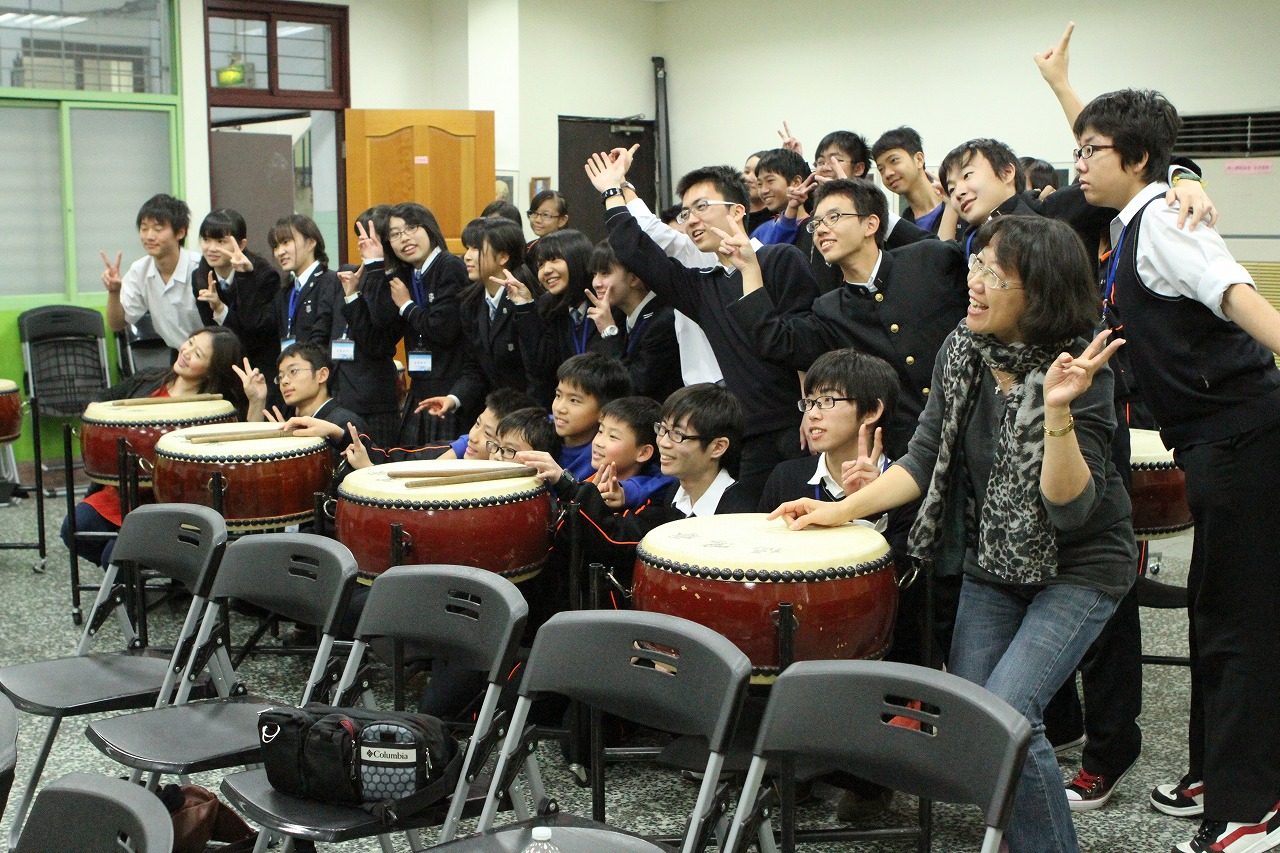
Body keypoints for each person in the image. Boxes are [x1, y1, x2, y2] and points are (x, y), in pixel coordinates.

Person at [773, 215, 1136, 853]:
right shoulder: (963, 348)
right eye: (976, 264)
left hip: (1080, 567)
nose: (974, 282)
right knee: (980, 721)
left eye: (994, 274)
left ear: (1039, 294)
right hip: (993, 561)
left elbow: (1072, 508)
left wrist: (1056, 410)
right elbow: (922, 456)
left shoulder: (1080, 370)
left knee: (1009, 715)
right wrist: (838, 509)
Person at [1074, 87, 1280, 853]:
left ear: (1135, 160)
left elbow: (1232, 290)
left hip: (1244, 440)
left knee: (1241, 629)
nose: (1079, 164)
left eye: (1090, 151)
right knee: (1213, 616)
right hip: (1215, 443)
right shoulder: (1134, 222)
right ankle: (1214, 775)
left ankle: (1252, 810)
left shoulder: (1164, 218)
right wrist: (1065, 89)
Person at [592, 155, 818, 503]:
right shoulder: (703, 286)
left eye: (701, 207)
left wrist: (810, 407)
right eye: (686, 213)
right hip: (742, 438)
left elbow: (805, 346)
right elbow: (636, 251)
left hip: (796, 429)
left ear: (737, 211)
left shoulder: (781, 259)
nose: (692, 220)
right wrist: (612, 191)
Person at [61, 326, 248, 568]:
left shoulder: (215, 407)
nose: (186, 352)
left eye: (198, 354)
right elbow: (103, 397)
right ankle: (134, 574)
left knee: (116, 556)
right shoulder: (148, 378)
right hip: (123, 492)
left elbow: (239, 446)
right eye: (190, 342)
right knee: (74, 529)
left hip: (167, 504)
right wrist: (96, 410)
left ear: (212, 370)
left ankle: (143, 573)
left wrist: (256, 401)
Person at [351, 202, 467, 445]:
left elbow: (443, 330)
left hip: (449, 392)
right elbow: (382, 321)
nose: (404, 238)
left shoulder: (450, 266)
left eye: (411, 228)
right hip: (418, 391)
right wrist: (375, 266)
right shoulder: (407, 274)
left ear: (429, 228)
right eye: (395, 234)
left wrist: (406, 305)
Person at [419, 217, 533, 426]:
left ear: (503, 257)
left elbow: (537, 370)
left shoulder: (528, 298)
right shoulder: (471, 302)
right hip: (494, 412)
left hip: (528, 414)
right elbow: (475, 367)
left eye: (476, 249)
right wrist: (454, 398)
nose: (467, 256)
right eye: (467, 248)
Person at [507, 229, 625, 404]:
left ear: (578, 259)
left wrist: (608, 329)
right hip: (568, 405)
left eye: (554, 259)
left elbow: (617, 374)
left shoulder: (610, 302)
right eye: (540, 264)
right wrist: (525, 307)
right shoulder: (549, 306)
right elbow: (541, 369)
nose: (546, 270)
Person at [101, 193, 203, 352]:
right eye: (144, 228)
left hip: (212, 353)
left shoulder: (201, 268)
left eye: (158, 229)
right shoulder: (139, 271)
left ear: (180, 232)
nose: (149, 236)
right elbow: (116, 324)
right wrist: (114, 291)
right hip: (179, 352)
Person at [191, 208, 284, 380]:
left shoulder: (264, 275)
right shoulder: (200, 276)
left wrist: (244, 278)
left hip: (262, 365)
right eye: (206, 240)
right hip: (225, 365)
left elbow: (256, 330)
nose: (211, 248)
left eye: (220, 241)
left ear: (241, 245)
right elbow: (213, 334)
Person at [588, 239, 681, 403]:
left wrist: (609, 333)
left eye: (605, 273)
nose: (596, 283)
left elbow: (634, 387)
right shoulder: (616, 315)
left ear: (634, 278)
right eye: (594, 274)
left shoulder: (664, 320)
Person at [549, 352, 633, 482]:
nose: (559, 408)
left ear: (603, 412)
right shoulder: (537, 430)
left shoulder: (605, 454)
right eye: (558, 395)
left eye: (574, 400)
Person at [873, 127, 946, 233]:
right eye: (881, 169)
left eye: (894, 160)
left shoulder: (957, 208)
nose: (887, 173)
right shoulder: (902, 228)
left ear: (919, 159)